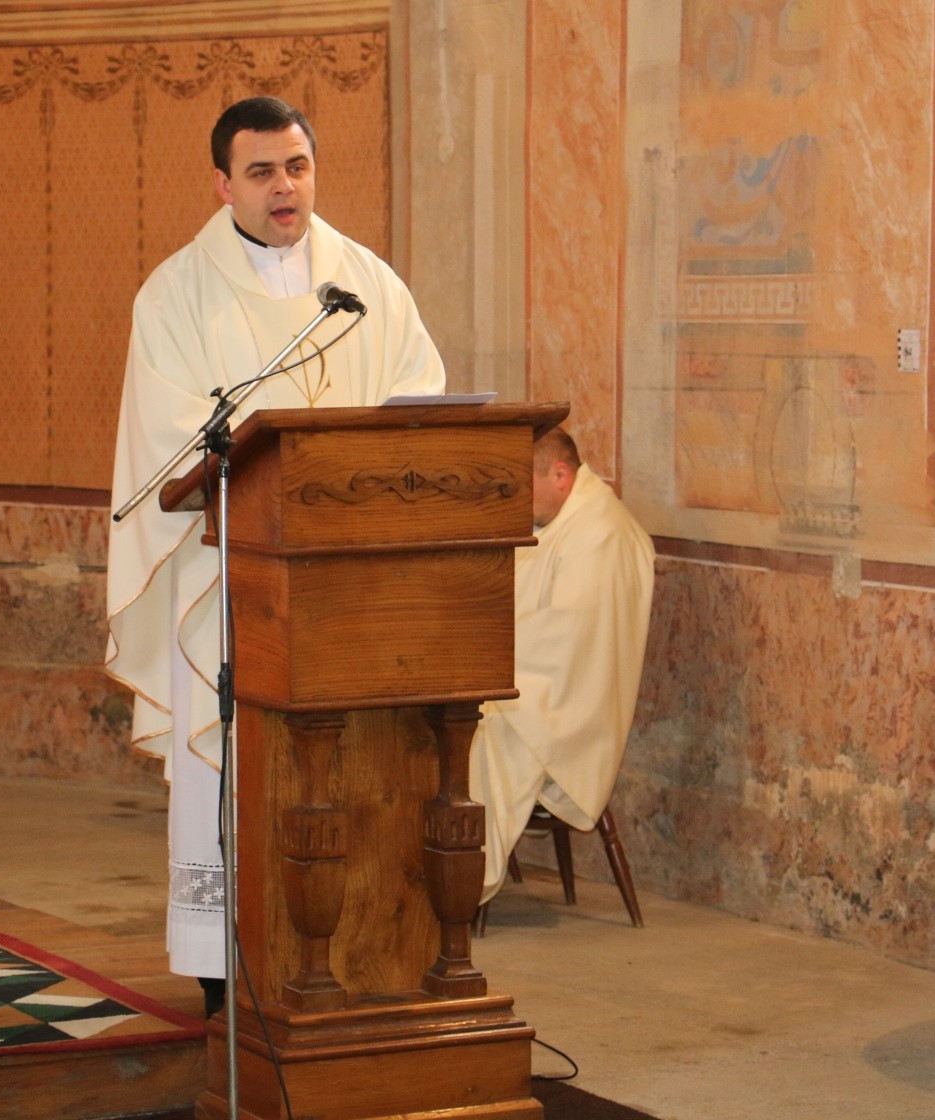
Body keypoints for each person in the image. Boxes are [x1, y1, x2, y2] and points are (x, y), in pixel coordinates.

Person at [104, 97, 445, 1011]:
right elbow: (171, 440)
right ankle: (228, 971)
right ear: (223, 185)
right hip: (231, 582)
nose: (283, 187)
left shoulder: (370, 284)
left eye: (297, 166)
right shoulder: (177, 295)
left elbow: (418, 402)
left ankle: (366, 947)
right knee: (233, 772)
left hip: (349, 584)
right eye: (260, 172)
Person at [469, 426, 655, 901]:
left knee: (477, 727)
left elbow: (567, 637)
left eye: (523, 485)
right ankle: (435, 868)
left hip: (574, 705)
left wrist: (479, 656)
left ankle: (464, 879)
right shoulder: (560, 521)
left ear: (560, 475)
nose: (517, 499)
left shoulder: (600, 532)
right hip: (547, 681)